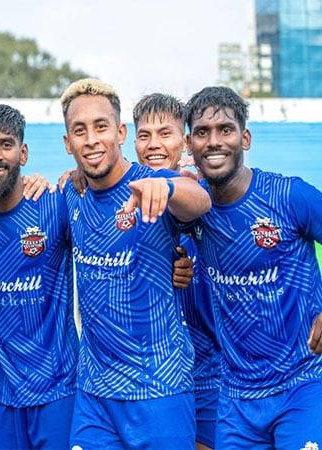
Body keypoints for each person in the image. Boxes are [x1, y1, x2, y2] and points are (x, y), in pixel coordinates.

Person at [60, 78, 211, 449]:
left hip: (159, 389)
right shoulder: (70, 192)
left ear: (120, 132)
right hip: (95, 395)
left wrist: (169, 187)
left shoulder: (153, 181)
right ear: (68, 143)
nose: (92, 139)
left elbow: (199, 200)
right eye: (80, 131)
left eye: (101, 127)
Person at [184, 86, 322, 448]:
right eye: (202, 132)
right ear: (189, 144)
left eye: (225, 130)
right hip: (237, 399)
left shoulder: (288, 196)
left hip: (302, 385)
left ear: (245, 137)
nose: (214, 142)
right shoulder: (193, 210)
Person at [0, 104, 79, 449]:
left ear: (23, 152)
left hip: (59, 393)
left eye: (6, 144)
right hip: (3, 399)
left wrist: (76, 175)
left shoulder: (53, 205)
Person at [133, 93, 221, 450]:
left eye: (165, 133)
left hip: (215, 372)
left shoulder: (201, 187)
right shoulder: (127, 194)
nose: (154, 144)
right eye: (145, 135)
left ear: (184, 141)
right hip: (155, 377)